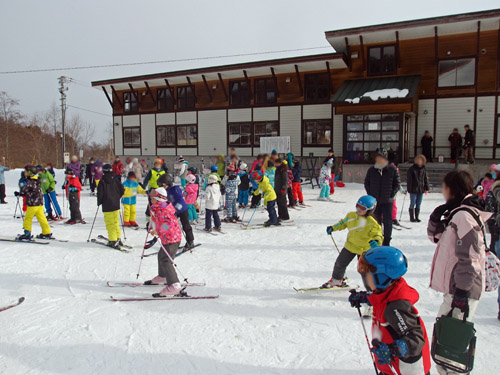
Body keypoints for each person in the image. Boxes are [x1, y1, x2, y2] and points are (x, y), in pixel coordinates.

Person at [427, 170, 490, 375]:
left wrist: (462, 293)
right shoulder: (458, 212)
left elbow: (470, 259)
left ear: (452, 189)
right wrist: (436, 218)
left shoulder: (464, 216)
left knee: (450, 346)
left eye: (445, 187)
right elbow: (437, 238)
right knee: (445, 341)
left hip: (462, 290)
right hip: (457, 289)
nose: (443, 191)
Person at [349, 246, 431, 375]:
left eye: (367, 274)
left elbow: (416, 339)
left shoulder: (396, 306)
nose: (364, 278)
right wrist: (365, 298)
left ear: (381, 278)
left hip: (407, 369)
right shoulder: (389, 293)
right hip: (392, 366)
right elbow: (381, 300)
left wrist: (393, 349)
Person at [323, 195, 382, 288]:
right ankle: (337, 280)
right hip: (350, 246)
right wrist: (333, 228)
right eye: (357, 206)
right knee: (340, 263)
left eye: (362, 208)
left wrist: (376, 241)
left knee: (365, 271)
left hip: (364, 250)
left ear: (370, 210)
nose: (359, 210)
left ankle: (371, 288)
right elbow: (342, 223)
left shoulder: (372, 222)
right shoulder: (351, 216)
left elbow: (378, 235)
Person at [146, 187, 183, 297]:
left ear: (158, 199)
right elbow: (157, 219)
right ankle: (163, 276)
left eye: (152, 198)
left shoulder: (165, 210)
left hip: (172, 239)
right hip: (167, 238)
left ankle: (174, 285)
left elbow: (168, 225)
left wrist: (157, 231)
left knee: (166, 260)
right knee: (161, 255)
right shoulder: (158, 208)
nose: (150, 199)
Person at [364, 148, 400, 246]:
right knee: (376, 220)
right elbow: (367, 183)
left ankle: (387, 240)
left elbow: (397, 184)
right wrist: (370, 194)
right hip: (375, 200)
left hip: (388, 201)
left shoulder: (392, 169)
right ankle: (377, 238)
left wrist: (391, 194)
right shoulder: (372, 170)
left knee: (388, 221)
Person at [157, 173, 195, 251]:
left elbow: (180, 201)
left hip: (182, 210)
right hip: (172, 211)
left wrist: (175, 210)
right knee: (169, 225)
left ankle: (190, 241)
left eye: (162, 185)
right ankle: (172, 241)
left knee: (186, 226)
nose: (161, 187)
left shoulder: (175, 189)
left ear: (167, 183)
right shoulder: (164, 191)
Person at [16, 165, 53, 240]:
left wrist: (19, 193)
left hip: (33, 203)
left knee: (28, 218)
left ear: (30, 173)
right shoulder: (36, 180)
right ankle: (46, 232)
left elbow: (24, 190)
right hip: (39, 203)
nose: (25, 173)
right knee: (42, 218)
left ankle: (27, 233)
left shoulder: (31, 182)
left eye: (26, 172)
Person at [97, 163, 125, 248]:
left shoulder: (102, 181)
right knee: (116, 222)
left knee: (110, 223)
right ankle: (118, 237)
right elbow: (122, 190)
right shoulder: (116, 179)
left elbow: (100, 193)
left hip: (107, 205)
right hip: (115, 204)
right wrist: (117, 197)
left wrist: (99, 202)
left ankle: (113, 240)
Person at [143, 158, 168, 225]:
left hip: (161, 189)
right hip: (153, 188)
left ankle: (157, 215)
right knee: (152, 202)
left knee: (160, 202)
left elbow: (166, 179)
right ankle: (148, 214)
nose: (157, 165)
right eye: (156, 164)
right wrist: (144, 186)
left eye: (158, 164)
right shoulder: (152, 171)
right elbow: (147, 179)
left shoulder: (163, 171)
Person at [406, 154, 430, 223]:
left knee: (418, 203)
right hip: (413, 189)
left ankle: (417, 217)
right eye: (418, 160)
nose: (419, 162)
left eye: (421, 160)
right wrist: (409, 189)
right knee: (412, 203)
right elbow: (409, 180)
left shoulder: (423, 169)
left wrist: (427, 187)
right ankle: (412, 217)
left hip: (421, 189)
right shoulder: (411, 169)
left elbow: (425, 179)